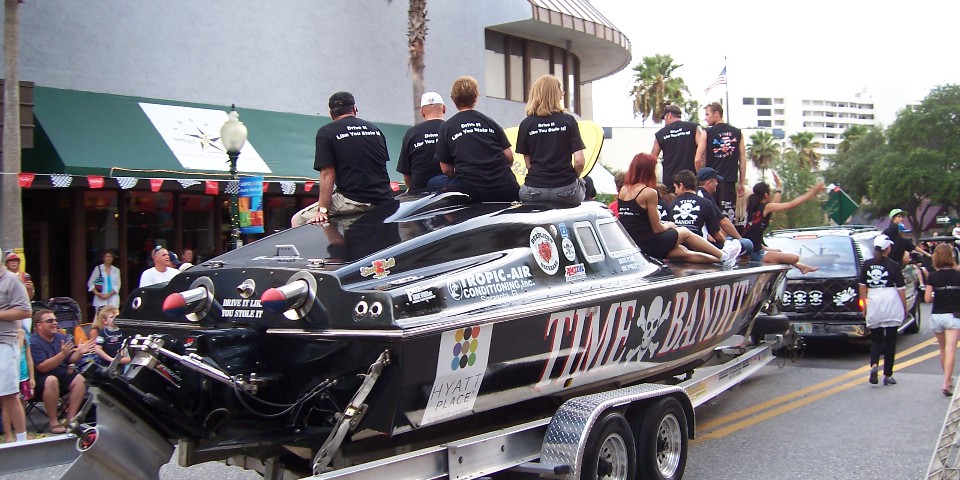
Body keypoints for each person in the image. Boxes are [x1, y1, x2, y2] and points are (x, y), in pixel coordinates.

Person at [293, 91, 393, 226]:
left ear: (331, 114)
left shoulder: (326, 132)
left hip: (353, 200)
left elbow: (328, 174)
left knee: (298, 219)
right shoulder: (375, 130)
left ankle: (333, 246)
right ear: (355, 109)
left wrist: (322, 210)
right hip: (384, 199)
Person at [617, 153, 734, 265]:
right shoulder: (648, 192)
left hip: (633, 242)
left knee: (683, 253)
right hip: (649, 242)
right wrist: (669, 225)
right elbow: (657, 229)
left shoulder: (623, 190)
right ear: (648, 170)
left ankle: (723, 259)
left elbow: (634, 220)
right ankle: (724, 256)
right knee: (685, 232)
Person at [435, 76, 519, 202]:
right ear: (476, 97)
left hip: (472, 190)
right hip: (505, 187)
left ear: (453, 99)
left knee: (433, 182)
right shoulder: (491, 123)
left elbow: (446, 169)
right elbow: (509, 156)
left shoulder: (447, 127)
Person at [516, 75, 586, 206]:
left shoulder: (526, 124)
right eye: (560, 89)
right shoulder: (568, 121)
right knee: (583, 183)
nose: (563, 93)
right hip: (566, 189)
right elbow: (579, 161)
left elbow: (529, 164)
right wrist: (573, 177)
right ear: (553, 93)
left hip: (535, 190)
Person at [30, 309, 93, 433]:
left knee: (80, 379)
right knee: (51, 380)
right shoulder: (34, 342)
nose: (55, 323)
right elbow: (42, 367)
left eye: (55, 320)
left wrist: (80, 352)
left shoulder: (60, 337)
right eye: (50, 321)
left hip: (60, 376)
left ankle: (71, 420)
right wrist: (62, 354)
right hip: (39, 381)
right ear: (39, 325)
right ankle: (54, 423)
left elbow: (71, 359)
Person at [741, 179, 824, 274]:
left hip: (755, 247)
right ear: (766, 195)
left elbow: (776, 204)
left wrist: (779, 187)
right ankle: (802, 267)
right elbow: (792, 204)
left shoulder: (754, 207)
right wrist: (814, 190)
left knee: (778, 251)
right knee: (794, 258)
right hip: (754, 253)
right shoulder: (766, 207)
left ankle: (802, 267)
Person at [859, 234, 908, 387]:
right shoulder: (894, 265)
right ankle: (888, 374)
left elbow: (862, 286)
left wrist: (864, 305)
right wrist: (904, 306)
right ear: (888, 248)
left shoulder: (867, 264)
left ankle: (874, 365)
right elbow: (901, 289)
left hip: (874, 300)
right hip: (890, 300)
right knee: (891, 340)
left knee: (876, 338)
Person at [670, 170, 741, 263]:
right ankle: (726, 258)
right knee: (745, 244)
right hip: (701, 249)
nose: (675, 191)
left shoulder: (672, 204)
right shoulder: (706, 203)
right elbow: (717, 235)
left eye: (675, 188)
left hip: (678, 249)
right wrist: (726, 243)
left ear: (681, 186)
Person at [0, 253, 32, 442]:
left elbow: (25, 310)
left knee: (10, 394)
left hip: (5, 342)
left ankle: (21, 441)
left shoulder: (11, 280)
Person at [702, 102, 747, 223]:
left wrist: (700, 176)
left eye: (707, 114)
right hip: (729, 182)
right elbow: (742, 158)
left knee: (710, 217)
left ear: (716, 114)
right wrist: (741, 182)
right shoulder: (737, 132)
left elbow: (698, 158)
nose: (705, 118)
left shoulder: (706, 132)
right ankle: (726, 240)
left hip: (710, 181)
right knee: (727, 217)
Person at [397, 91, 449, 193]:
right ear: (444, 108)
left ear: (422, 112)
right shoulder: (452, 129)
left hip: (419, 197)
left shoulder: (411, 133)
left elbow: (406, 176)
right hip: (449, 195)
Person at [926, 243, 960, 396]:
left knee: (942, 348)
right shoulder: (958, 275)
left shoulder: (932, 276)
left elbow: (927, 299)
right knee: (951, 348)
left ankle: (948, 378)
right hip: (953, 316)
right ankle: (947, 382)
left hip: (937, 315)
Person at [696, 167, 753, 258]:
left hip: (696, 240)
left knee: (729, 239)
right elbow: (723, 222)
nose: (717, 184)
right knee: (747, 244)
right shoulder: (705, 197)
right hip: (703, 243)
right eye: (716, 181)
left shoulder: (694, 193)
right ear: (709, 182)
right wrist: (739, 238)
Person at [651, 104, 705, 193]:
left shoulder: (661, 133)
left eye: (664, 118)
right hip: (691, 177)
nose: (664, 121)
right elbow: (702, 150)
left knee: (672, 205)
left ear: (669, 116)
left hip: (670, 179)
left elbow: (652, 158)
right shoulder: (693, 127)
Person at [2, 324, 33, 442]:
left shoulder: (25, 335)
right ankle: (8, 435)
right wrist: (20, 338)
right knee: (7, 403)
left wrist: (32, 377)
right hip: (10, 373)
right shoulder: (10, 336)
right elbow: (17, 353)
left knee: (21, 403)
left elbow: (29, 358)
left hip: (23, 376)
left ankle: (21, 432)